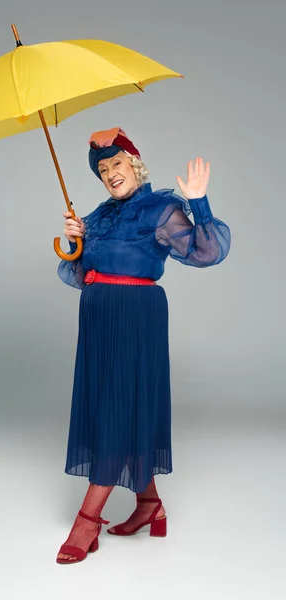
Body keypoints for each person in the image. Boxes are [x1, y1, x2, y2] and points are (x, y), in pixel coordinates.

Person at [55, 127, 231, 564]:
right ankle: (150, 505)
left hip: (136, 315)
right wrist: (77, 243)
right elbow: (78, 276)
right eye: (102, 169)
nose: (110, 173)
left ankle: (87, 520)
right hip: (98, 318)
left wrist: (199, 201)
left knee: (118, 404)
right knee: (110, 405)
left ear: (134, 164)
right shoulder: (96, 217)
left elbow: (207, 251)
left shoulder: (161, 209)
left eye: (116, 163)